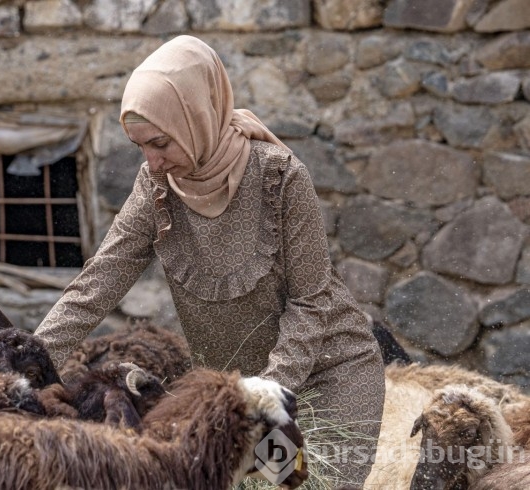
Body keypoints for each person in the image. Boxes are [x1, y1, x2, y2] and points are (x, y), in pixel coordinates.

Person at [34, 35, 385, 486]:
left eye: (160, 143)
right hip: (239, 391)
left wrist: (261, 398)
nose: (153, 162)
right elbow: (98, 282)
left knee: (311, 486)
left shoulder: (279, 176)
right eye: (140, 147)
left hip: (328, 375)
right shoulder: (156, 186)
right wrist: (24, 360)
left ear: (196, 118)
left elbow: (311, 302)